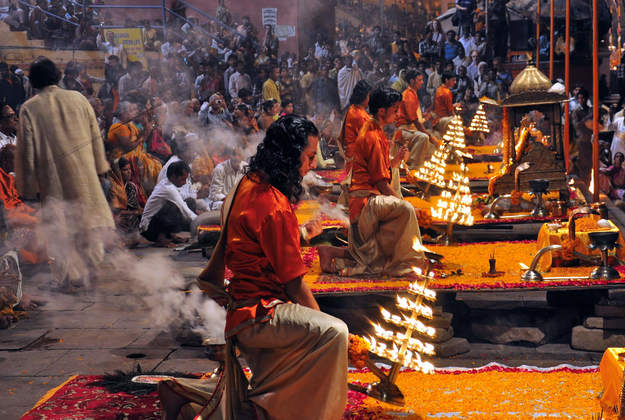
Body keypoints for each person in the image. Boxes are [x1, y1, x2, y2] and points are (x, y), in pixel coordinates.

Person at [158, 115, 348, 420]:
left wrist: (299, 237)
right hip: (259, 315)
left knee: (313, 333)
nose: (312, 165)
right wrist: (329, 324)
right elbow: (295, 284)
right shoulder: (273, 203)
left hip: (242, 310)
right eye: (310, 157)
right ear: (289, 154)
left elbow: (262, 243)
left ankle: (195, 398)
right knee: (333, 333)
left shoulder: (248, 182)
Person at [15, 57, 114, 292]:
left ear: (34, 81)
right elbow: (95, 135)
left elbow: (26, 151)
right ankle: (92, 271)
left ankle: (67, 280)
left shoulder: (30, 107)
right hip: (84, 176)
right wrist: (100, 167)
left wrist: (28, 187)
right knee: (86, 224)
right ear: (57, 77)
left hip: (54, 179)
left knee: (60, 230)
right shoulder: (78, 99)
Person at [318, 87, 425, 277]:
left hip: (367, 197)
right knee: (405, 210)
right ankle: (406, 263)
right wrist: (405, 204)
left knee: (397, 211)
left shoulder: (375, 130)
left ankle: (336, 252)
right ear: (382, 111)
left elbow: (379, 171)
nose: (398, 114)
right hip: (365, 202)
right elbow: (382, 183)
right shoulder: (373, 135)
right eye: (395, 110)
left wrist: (395, 162)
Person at [140, 160, 197, 244]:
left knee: (190, 202)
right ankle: (161, 238)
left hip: (154, 224)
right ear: (173, 176)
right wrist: (200, 222)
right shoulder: (168, 188)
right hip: (148, 229)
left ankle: (170, 234)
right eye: (182, 179)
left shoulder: (168, 183)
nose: (184, 183)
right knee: (173, 206)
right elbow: (184, 208)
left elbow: (184, 202)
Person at [397, 69, 438, 169]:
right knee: (424, 137)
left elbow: (416, 118)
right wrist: (430, 137)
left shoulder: (413, 93)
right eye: (420, 80)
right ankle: (412, 165)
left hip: (410, 128)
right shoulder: (409, 95)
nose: (422, 82)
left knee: (435, 135)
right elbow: (414, 120)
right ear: (412, 81)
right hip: (404, 130)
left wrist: (425, 117)